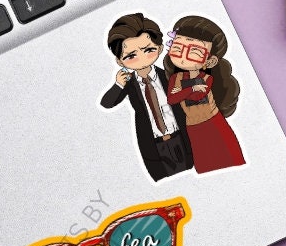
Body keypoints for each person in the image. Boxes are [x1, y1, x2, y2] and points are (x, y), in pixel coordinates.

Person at [101, 13, 191, 182]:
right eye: (130, 56)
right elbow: (106, 103)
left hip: (181, 136)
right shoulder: (128, 84)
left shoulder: (169, 75)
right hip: (154, 145)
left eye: (148, 50)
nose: (141, 58)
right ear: (120, 62)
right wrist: (118, 85)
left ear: (160, 48)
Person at [164, 15, 246, 174]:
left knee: (230, 162)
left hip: (214, 123)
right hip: (193, 128)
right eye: (178, 48)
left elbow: (195, 97)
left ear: (210, 61)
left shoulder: (207, 78)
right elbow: (172, 99)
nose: (182, 57)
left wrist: (184, 92)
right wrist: (192, 89)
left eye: (194, 52)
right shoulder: (176, 77)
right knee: (205, 166)